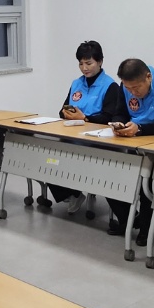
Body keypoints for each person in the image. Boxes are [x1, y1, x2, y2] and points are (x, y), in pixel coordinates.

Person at [105, 58, 154, 245]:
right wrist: (118, 123)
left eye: (136, 88)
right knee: (107, 170)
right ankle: (129, 219)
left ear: (148, 77)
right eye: (128, 88)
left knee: (145, 180)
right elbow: (120, 112)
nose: (133, 92)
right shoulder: (125, 86)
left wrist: (139, 129)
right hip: (134, 142)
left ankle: (145, 230)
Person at [49, 40, 122, 210]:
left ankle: (76, 190)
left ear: (100, 62)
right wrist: (66, 113)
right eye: (81, 64)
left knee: (73, 161)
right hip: (72, 137)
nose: (84, 68)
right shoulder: (76, 83)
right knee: (49, 159)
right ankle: (72, 194)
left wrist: (86, 118)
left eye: (89, 63)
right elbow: (63, 110)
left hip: (96, 142)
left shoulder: (110, 86)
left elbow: (109, 117)